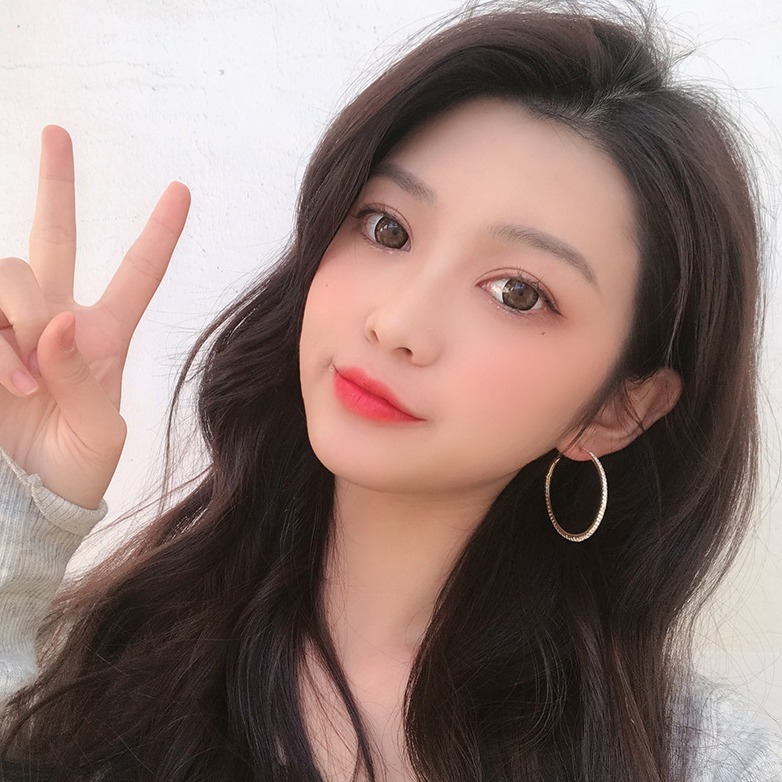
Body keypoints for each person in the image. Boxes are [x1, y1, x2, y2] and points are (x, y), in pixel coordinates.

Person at [0, 3, 779, 781]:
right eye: (387, 229)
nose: (398, 322)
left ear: (615, 410)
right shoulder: (120, 656)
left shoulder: (701, 759)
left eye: (516, 292)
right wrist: (22, 506)